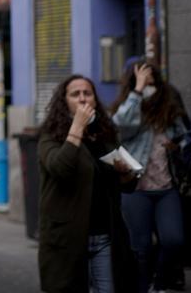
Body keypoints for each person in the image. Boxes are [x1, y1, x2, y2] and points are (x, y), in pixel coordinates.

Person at [38, 74, 138, 293]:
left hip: (104, 234)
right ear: (64, 102)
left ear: (94, 99)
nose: (83, 99)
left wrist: (126, 175)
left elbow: (127, 186)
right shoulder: (50, 136)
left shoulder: (105, 134)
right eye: (75, 94)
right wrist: (76, 128)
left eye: (87, 93)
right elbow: (60, 168)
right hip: (68, 238)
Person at [110, 60, 189, 293]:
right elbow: (121, 125)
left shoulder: (169, 107)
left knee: (174, 240)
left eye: (151, 80)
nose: (148, 85)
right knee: (141, 247)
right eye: (143, 80)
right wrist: (137, 92)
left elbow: (185, 137)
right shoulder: (127, 108)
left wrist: (177, 145)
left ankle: (160, 283)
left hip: (166, 187)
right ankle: (143, 287)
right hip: (136, 189)